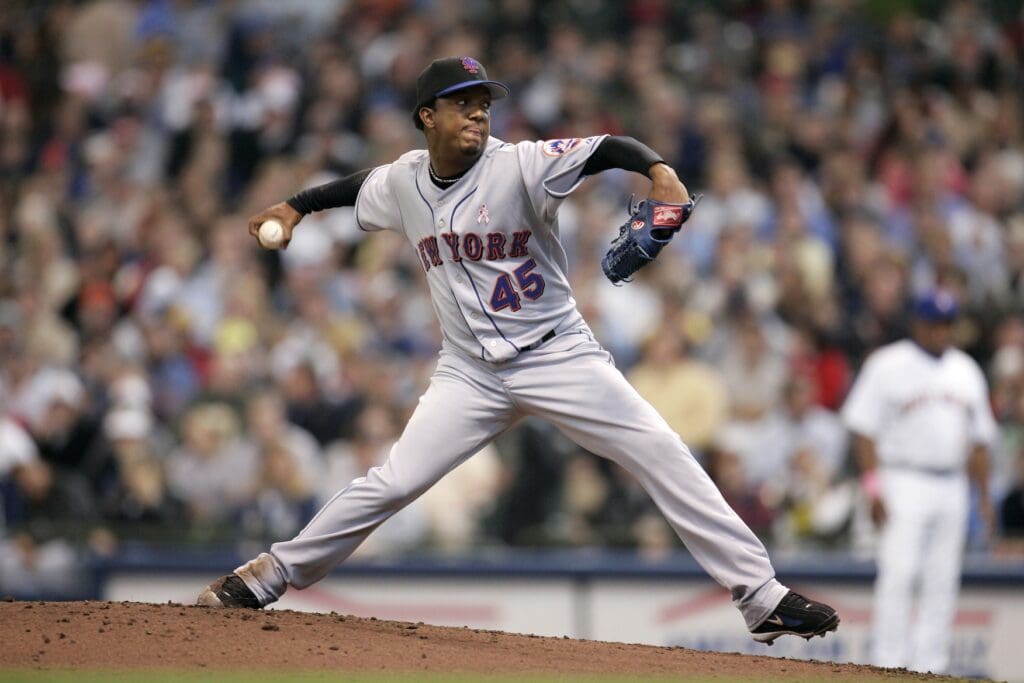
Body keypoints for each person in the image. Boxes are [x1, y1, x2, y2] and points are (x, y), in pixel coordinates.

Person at [196, 56, 839, 644]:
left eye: (484, 102)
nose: (478, 111)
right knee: (393, 481)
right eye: (462, 102)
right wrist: (298, 206)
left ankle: (760, 596)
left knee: (659, 449)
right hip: (468, 375)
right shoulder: (403, 182)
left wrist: (662, 176)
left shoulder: (521, 163)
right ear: (428, 117)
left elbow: (607, 148)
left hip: (557, 353)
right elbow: (357, 187)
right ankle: (267, 576)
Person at [842, 290, 996, 673]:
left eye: (947, 323)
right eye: (934, 322)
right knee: (900, 572)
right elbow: (863, 433)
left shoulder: (966, 369)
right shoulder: (888, 364)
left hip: (952, 484)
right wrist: (874, 489)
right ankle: (887, 663)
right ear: (918, 323)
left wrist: (983, 498)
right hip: (902, 478)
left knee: (942, 578)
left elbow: (979, 442)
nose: (941, 331)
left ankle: (933, 666)